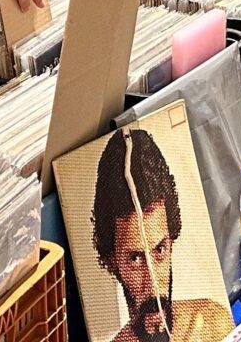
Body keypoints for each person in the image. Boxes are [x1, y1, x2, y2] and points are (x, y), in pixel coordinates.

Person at [91, 127, 232, 342]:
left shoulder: (211, 323)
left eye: (160, 250)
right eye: (136, 259)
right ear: (112, 261)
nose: (153, 283)